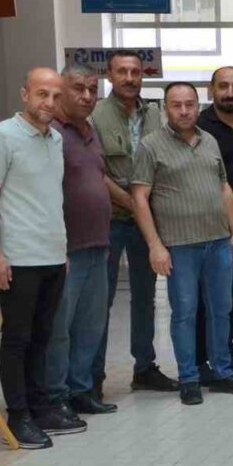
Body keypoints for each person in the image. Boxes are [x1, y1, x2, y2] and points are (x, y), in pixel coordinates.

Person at [131, 83, 233, 405]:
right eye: (176, 105)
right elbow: (139, 199)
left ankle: (223, 372)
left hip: (218, 242)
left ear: (198, 106)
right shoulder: (150, 146)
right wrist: (155, 246)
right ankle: (189, 378)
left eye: (189, 104)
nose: (184, 111)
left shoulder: (209, 140)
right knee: (184, 313)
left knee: (221, 310)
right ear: (165, 109)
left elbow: (224, 188)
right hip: (179, 246)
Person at [0, 68, 80, 449]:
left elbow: (49, 200)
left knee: (43, 337)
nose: (49, 103)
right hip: (17, 259)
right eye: (42, 94)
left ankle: (42, 407)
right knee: (17, 339)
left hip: (52, 257)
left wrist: (62, 250)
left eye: (56, 97)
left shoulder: (55, 139)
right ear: (25, 94)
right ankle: (19, 415)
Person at [90, 50, 176, 396]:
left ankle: (145, 367)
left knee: (145, 297)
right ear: (109, 76)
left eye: (136, 72)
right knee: (102, 299)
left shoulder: (154, 114)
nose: (130, 78)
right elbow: (95, 172)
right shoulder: (95, 116)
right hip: (110, 219)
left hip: (147, 223)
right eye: (122, 72)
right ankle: (92, 376)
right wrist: (133, 204)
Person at [47, 64, 117, 418]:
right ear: (60, 88)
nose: (87, 96)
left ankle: (80, 390)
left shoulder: (89, 132)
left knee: (91, 325)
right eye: (78, 88)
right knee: (60, 329)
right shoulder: (50, 135)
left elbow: (98, 181)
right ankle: (55, 396)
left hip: (97, 245)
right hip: (66, 251)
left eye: (92, 89)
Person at [194, 67, 233, 380]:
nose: (230, 92)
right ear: (211, 90)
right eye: (223, 86)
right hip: (207, 229)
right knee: (205, 301)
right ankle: (200, 362)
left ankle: (225, 356)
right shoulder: (197, 128)